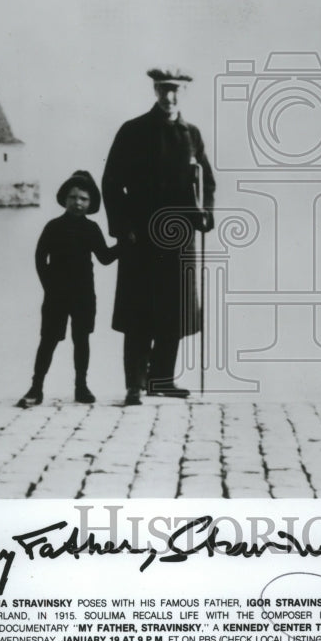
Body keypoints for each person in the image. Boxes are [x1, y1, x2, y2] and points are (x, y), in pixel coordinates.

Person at [102, 68, 215, 406]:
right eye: (164, 90)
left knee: (175, 309)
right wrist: (123, 227)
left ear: (184, 92)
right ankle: (134, 384)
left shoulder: (191, 134)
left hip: (179, 235)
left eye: (176, 90)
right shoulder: (133, 130)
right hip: (140, 235)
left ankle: (161, 379)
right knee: (139, 310)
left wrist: (206, 212)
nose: (170, 97)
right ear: (154, 89)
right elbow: (111, 182)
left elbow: (206, 182)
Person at [17, 170, 119, 408]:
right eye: (73, 197)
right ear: (65, 199)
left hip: (84, 294)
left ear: (90, 203)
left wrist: (125, 245)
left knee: (81, 339)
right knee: (48, 340)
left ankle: (81, 387)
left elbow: (104, 257)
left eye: (83, 198)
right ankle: (36, 387)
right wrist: (48, 286)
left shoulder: (92, 229)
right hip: (56, 294)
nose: (77, 202)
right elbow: (40, 258)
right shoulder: (53, 227)